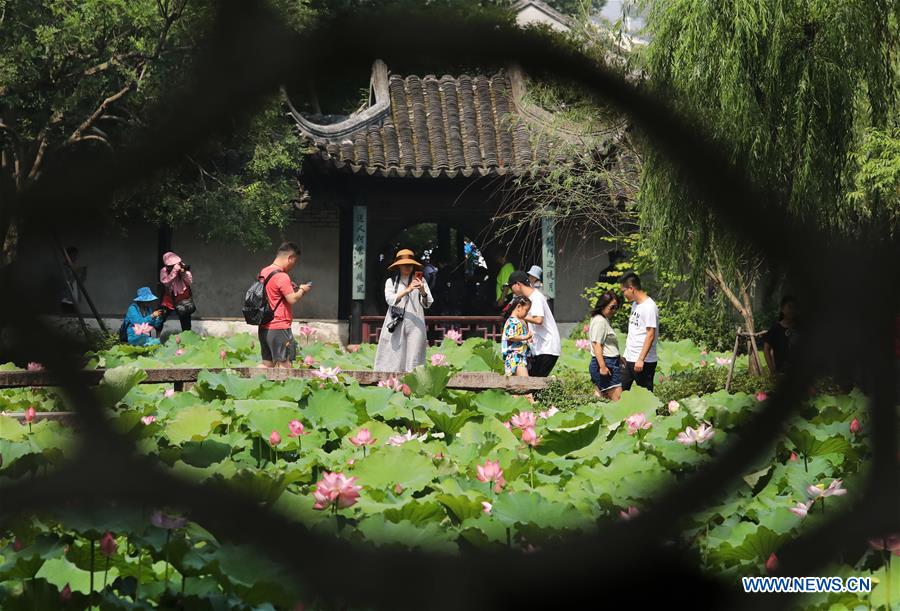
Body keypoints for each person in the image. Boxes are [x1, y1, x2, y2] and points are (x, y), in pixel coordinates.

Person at [374, 249, 434, 372]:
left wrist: (422, 290)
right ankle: (391, 385)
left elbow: (428, 303)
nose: (408, 267)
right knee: (393, 355)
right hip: (396, 322)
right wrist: (408, 289)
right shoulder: (391, 282)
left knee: (414, 357)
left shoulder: (421, 281)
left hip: (416, 324)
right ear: (399, 266)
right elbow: (390, 300)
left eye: (410, 264)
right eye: (405, 264)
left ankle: (412, 386)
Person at [257, 242, 312, 368]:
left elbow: (272, 292)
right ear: (290, 258)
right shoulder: (282, 276)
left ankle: (250, 383)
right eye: (295, 261)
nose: (294, 264)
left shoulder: (264, 272)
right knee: (285, 364)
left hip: (264, 327)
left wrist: (289, 287)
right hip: (279, 326)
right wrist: (302, 290)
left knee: (267, 364)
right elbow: (292, 299)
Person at [507, 270, 561, 377]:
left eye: (511, 286)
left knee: (534, 383)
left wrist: (520, 315)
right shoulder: (530, 298)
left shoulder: (536, 297)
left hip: (547, 347)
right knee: (533, 383)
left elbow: (538, 320)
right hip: (540, 347)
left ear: (518, 284)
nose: (511, 290)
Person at [619, 272, 659, 391]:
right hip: (629, 357)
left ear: (631, 288)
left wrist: (641, 359)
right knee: (621, 393)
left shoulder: (649, 307)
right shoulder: (635, 304)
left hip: (643, 361)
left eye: (623, 291)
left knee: (646, 396)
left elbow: (650, 335)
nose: (623, 294)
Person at [588, 291, 622, 401]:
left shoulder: (602, 319)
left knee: (600, 399)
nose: (614, 310)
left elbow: (606, 344)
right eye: (612, 307)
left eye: (616, 307)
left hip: (609, 362)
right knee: (617, 399)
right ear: (603, 305)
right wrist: (602, 367)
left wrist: (618, 358)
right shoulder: (599, 321)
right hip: (606, 364)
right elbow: (597, 344)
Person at [763, 295, 799, 378]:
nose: (792, 310)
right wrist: (772, 370)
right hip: (781, 374)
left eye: (795, 308)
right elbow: (766, 348)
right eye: (789, 307)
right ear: (782, 309)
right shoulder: (775, 329)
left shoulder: (800, 328)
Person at [159, 251, 194, 331]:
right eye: (171, 265)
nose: (174, 266)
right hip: (169, 299)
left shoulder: (182, 268)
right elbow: (166, 283)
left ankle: (186, 340)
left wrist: (184, 273)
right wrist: (174, 272)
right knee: (160, 318)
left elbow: (189, 282)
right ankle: (157, 337)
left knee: (186, 321)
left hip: (183, 298)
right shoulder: (164, 270)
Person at [501, 296, 532, 376]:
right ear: (518, 307)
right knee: (526, 383)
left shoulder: (518, 321)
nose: (527, 314)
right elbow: (510, 336)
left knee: (519, 386)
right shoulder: (512, 321)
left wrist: (527, 340)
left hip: (519, 356)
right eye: (526, 310)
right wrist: (525, 337)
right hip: (515, 357)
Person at [60, 246, 86, 314]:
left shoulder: (72, 268)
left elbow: (77, 283)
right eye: (73, 255)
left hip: (74, 300)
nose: (75, 258)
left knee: (75, 321)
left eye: (76, 255)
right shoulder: (63, 268)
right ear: (67, 256)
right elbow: (68, 284)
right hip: (67, 301)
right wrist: (76, 272)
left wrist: (83, 275)